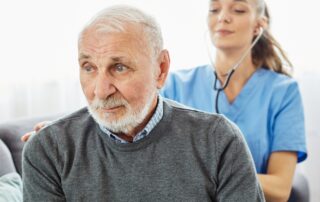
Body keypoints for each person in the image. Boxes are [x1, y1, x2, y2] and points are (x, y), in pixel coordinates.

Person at [22, 5, 265, 202]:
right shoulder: (48, 149)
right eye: (89, 68)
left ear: (160, 69)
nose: (100, 90)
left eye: (119, 67)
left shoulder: (219, 140)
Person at [162, 0, 307, 201]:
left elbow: (280, 189)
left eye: (238, 10)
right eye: (214, 10)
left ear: (259, 25)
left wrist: (207, 176)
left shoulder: (283, 91)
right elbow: (160, 168)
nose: (223, 17)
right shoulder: (174, 85)